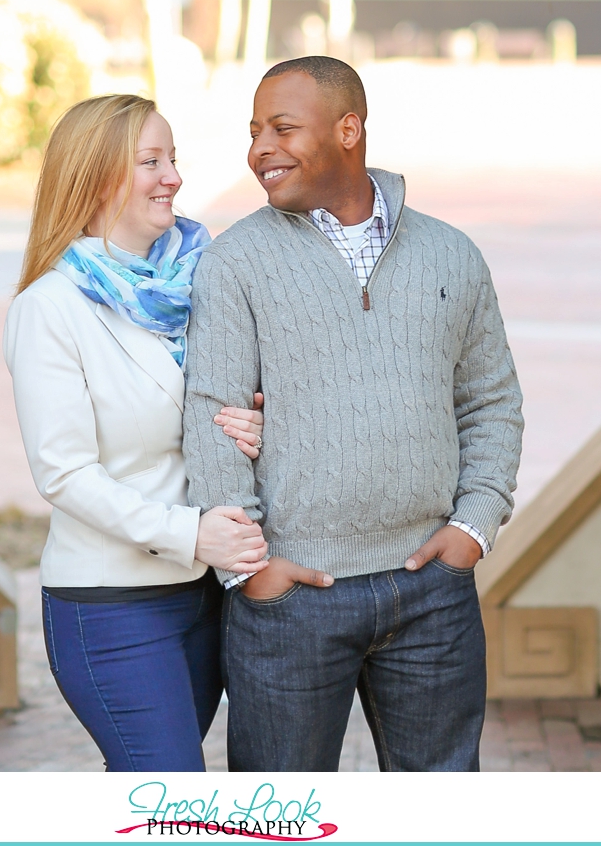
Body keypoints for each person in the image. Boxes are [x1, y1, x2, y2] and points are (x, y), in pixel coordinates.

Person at [182, 55, 524, 774]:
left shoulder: (450, 254)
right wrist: (254, 572)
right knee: (279, 819)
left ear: (348, 129)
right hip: (291, 598)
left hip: (432, 586)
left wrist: (474, 525)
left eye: (282, 128)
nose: (260, 151)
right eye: (253, 132)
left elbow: (491, 399)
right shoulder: (235, 262)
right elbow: (213, 416)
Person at [3, 92, 269, 772]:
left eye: (172, 157)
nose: (173, 176)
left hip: (205, 598)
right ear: (95, 178)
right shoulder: (50, 309)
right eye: (150, 160)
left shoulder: (202, 282)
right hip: (112, 606)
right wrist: (190, 533)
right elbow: (63, 472)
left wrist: (262, 420)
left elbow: (216, 412)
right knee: (172, 800)